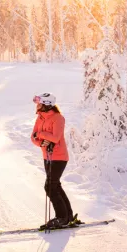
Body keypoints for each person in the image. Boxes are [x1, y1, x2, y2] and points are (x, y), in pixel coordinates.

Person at [31, 92, 74, 228]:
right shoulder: (40, 118)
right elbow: (33, 137)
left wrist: (41, 135)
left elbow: (55, 138)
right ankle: (68, 217)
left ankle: (61, 218)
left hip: (59, 157)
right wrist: (40, 143)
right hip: (47, 156)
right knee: (55, 185)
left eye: (39, 103)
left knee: (50, 186)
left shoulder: (58, 118)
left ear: (46, 105)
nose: (37, 106)